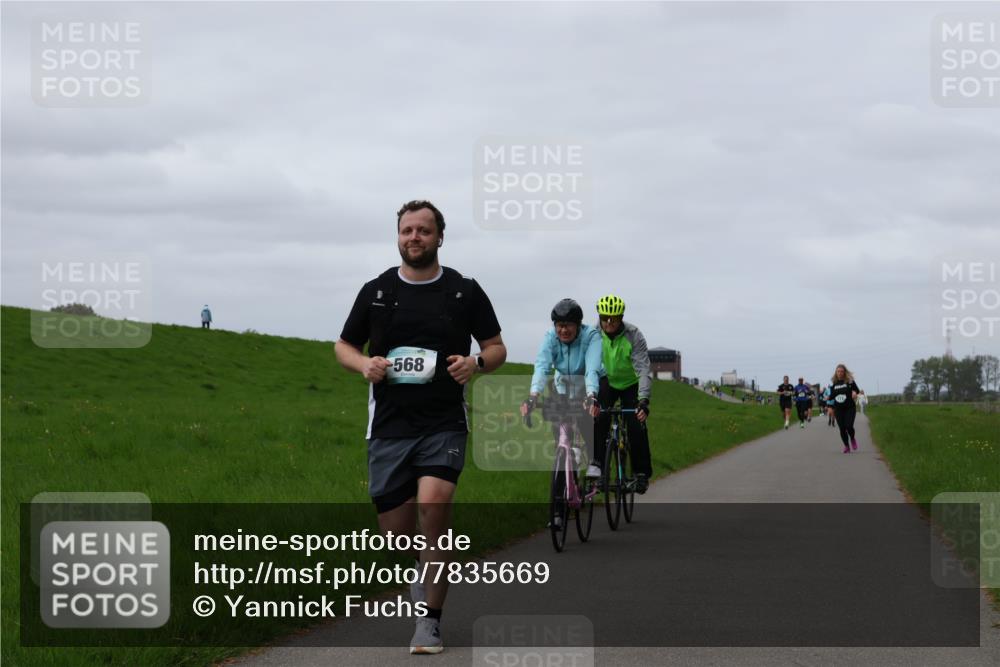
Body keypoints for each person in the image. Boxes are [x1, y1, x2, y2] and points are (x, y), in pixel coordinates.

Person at [335, 200, 506, 654]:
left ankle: (429, 622)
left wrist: (477, 362)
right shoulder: (376, 291)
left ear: (439, 237)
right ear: (398, 236)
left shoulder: (463, 291)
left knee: (434, 507)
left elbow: (496, 346)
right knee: (395, 533)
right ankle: (423, 571)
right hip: (389, 426)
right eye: (407, 230)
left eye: (424, 231)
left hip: (444, 422)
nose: (415, 237)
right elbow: (344, 345)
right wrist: (363, 365)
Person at [521, 299, 602, 479]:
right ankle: (566, 461)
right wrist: (533, 396)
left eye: (568, 325)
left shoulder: (591, 336)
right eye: (559, 325)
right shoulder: (550, 337)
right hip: (563, 385)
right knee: (559, 425)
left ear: (578, 325)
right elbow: (542, 367)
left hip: (589, 383)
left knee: (585, 419)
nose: (563, 330)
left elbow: (591, 370)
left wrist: (591, 396)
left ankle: (594, 461)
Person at [591, 294, 653, 494]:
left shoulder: (633, 334)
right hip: (606, 381)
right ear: (600, 317)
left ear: (621, 317)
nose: (609, 322)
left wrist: (643, 400)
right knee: (598, 419)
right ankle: (598, 470)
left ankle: (641, 473)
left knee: (636, 422)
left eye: (614, 318)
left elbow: (643, 369)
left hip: (630, 383)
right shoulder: (592, 334)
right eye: (605, 318)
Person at [828, 363, 862, 453]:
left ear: (844, 372)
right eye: (838, 371)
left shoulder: (849, 381)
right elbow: (832, 396)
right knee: (842, 428)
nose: (840, 373)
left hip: (849, 407)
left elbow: (857, 390)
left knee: (849, 426)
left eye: (841, 371)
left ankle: (852, 438)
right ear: (836, 373)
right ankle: (846, 446)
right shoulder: (834, 384)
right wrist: (829, 404)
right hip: (838, 409)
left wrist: (854, 393)